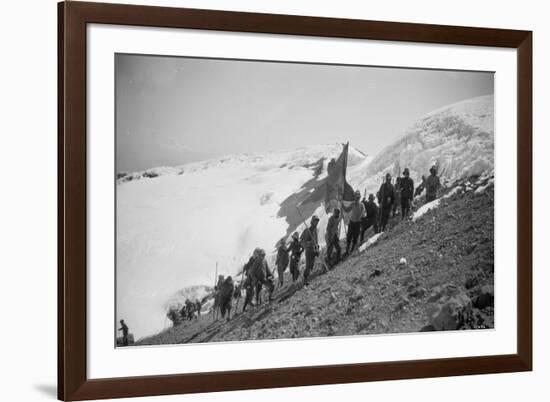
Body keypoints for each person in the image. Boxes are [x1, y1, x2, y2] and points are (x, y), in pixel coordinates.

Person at [342, 190, 366, 256]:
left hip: (357, 223)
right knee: (349, 237)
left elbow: (364, 212)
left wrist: (362, 215)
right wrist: (342, 205)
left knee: (355, 237)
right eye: (356, 196)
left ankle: (351, 250)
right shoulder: (353, 204)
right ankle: (347, 251)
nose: (357, 198)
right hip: (352, 222)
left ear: (359, 197)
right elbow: (347, 210)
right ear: (354, 197)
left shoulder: (361, 205)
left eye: (358, 197)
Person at [300, 215, 320, 286]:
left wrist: (317, 247)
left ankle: (307, 276)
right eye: (315, 221)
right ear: (312, 221)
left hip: (314, 250)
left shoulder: (315, 230)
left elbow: (316, 241)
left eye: (317, 221)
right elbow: (303, 241)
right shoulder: (307, 231)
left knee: (311, 265)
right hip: (309, 251)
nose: (316, 222)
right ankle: (305, 279)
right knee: (308, 266)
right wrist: (309, 243)